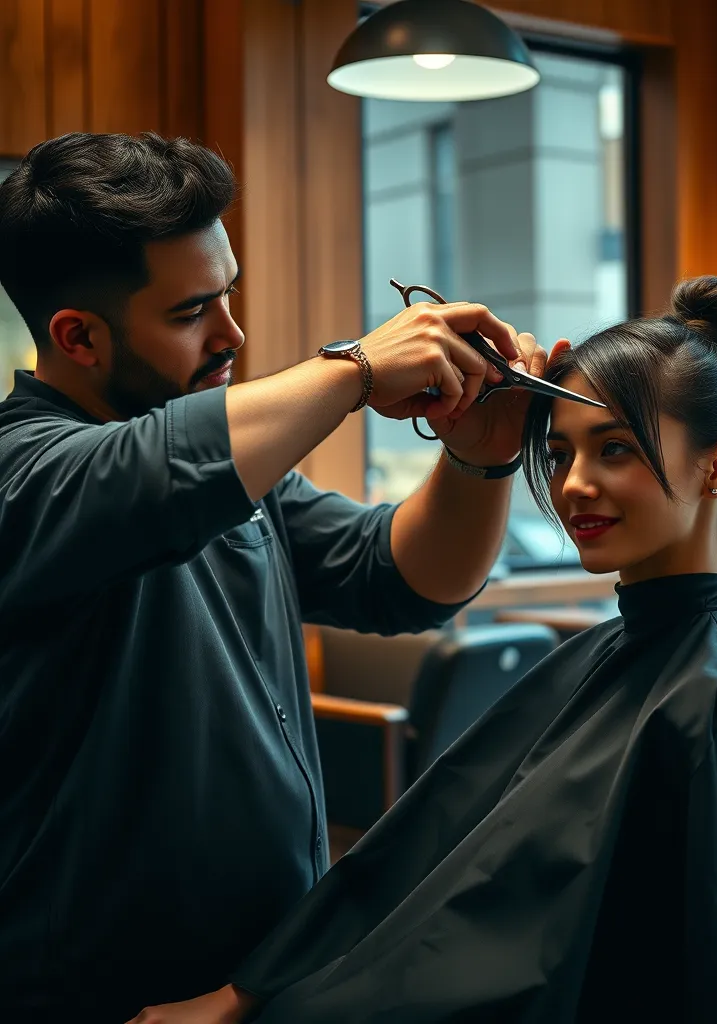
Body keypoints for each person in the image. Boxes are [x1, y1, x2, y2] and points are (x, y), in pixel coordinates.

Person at [142, 276, 717, 1024]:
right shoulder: (613, 663)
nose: (575, 485)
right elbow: (418, 856)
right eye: (563, 453)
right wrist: (250, 992)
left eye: (615, 449)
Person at [0, 132, 549, 1022]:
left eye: (229, 294)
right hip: (99, 998)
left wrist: (478, 462)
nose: (232, 334)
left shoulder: (234, 473)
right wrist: (359, 369)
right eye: (191, 314)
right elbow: (155, 474)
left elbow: (403, 577)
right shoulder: (26, 473)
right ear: (78, 337)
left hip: (260, 979)